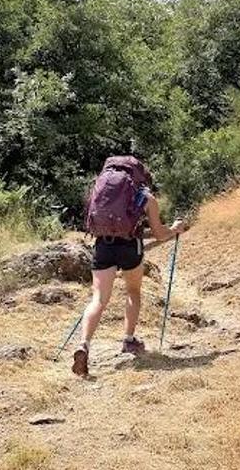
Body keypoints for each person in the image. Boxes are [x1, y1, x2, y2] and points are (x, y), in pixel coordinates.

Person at [72, 159, 188, 377]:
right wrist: (175, 229)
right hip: (130, 247)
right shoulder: (145, 197)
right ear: (139, 174)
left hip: (103, 246)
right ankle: (128, 340)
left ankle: (84, 344)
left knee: (98, 299)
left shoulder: (99, 190)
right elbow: (160, 233)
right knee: (133, 291)